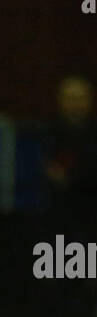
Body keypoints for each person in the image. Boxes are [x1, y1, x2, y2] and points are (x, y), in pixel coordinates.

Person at [42, 73, 97, 231]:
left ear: (90, 100)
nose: (76, 104)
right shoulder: (45, 133)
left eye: (80, 98)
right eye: (71, 98)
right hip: (52, 216)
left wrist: (69, 178)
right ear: (60, 99)